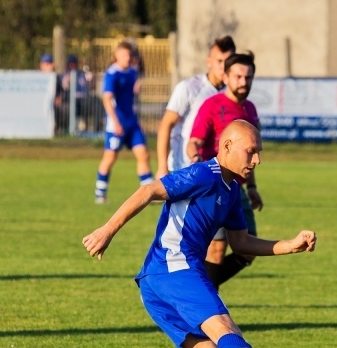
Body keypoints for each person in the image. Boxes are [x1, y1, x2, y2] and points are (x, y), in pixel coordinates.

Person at [82, 120, 316, 348]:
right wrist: (106, 230)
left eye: (258, 153)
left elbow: (241, 243)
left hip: (155, 281)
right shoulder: (205, 174)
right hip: (174, 268)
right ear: (227, 147)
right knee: (224, 327)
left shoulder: (231, 191)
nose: (257, 160)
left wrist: (289, 245)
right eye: (251, 152)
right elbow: (150, 190)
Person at [187, 52, 262, 287]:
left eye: (248, 77)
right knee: (217, 251)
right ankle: (206, 307)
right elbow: (194, 140)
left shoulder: (250, 109)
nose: (243, 82)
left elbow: (250, 153)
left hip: (238, 190)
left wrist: (252, 186)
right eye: (238, 76)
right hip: (216, 186)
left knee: (249, 250)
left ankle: (197, 291)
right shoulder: (212, 105)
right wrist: (195, 158)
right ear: (226, 76)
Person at [156, 36, 236, 180]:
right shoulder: (189, 88)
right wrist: (162, 166)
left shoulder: (232, 93)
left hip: (218, 170)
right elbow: (166, 125)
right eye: (219, 61)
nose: (223, 66)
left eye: (228, 61)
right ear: (209, 61)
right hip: (184, 167)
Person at [94, 40, 153, 205]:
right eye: (124, 55)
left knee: (143, 154)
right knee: (110, 157)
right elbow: (107, 100)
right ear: (116, 56)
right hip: (116, 125)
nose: (127, 58)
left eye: (129, 55)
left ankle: (149, 193)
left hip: (132, 123)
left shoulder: (132, 72)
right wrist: (116, 122)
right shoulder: (112, 74)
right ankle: (100, 193)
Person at [60, 55, 91, 132]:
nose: (72, 65)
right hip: (72, 99)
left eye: (74, 63)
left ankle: (96, 131)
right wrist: (69, 80)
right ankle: (70, 129)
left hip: (85, 98)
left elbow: (90, 85)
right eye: (70, 63)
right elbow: (65, 87)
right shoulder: (65, 74)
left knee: (96, 104)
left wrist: (91, 79)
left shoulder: (82, 74)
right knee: (71, 107)